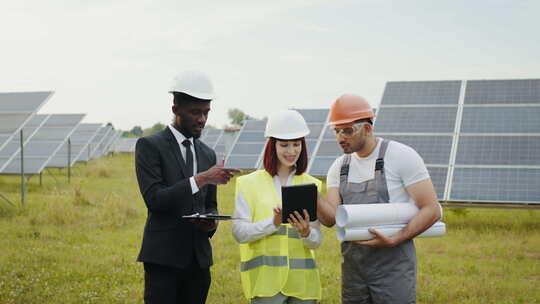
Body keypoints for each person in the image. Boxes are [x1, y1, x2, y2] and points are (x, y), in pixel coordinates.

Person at [316, 94, 442, 304]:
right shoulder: (339, 167)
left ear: (367, 128)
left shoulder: (401, 156)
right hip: (353, 270)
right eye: (336, 131)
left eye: (347, 130)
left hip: (393, 267)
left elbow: (432, 209)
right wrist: (314, 197)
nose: (340, 137)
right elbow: (331, 219)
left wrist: (397, 238)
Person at [135, 70, 238, 304]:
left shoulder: (207, 153)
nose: (202, 119)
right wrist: (201, 179)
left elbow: (210, 206)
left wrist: (210, 223)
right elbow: (155, 199)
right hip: (163, 261)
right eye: (195, 112)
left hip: (198, 262)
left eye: (206, 112)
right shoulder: (150, 146)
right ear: (175, 110)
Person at [232, 110, 324, 304]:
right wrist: (272, 224)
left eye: (296, 144)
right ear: (271, 145)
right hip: (265, 286)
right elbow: (239, 233)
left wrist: (307, 233)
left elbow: (316, 242)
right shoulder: (248, 184)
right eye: (284, 145)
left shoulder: (311, 184)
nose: (291, 151)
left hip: (303, 286)